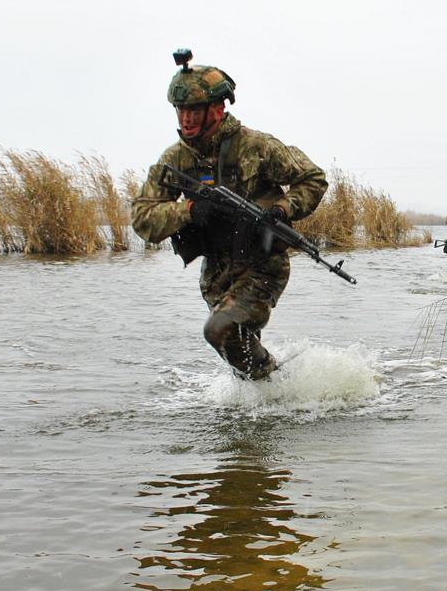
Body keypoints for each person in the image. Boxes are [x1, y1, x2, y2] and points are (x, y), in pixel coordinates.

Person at [131, 53, 328, 380]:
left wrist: (281, 209)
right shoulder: (175, 159)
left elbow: (313, 178)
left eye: (194, 110)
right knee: (238, 354)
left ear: (219, 109)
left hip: (263, 264)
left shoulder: (256, 146)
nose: (186, 120)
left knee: (219, 331)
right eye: (181, 111)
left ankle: (276, 388)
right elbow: (143, 218)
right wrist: (189, 210)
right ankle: (276, 396)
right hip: (216, 275)